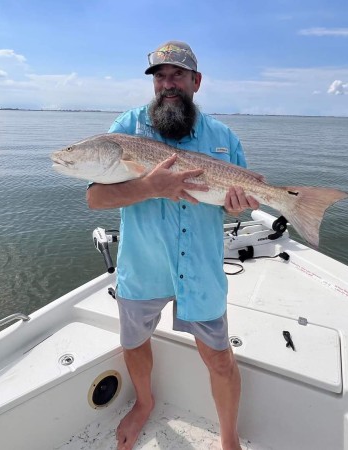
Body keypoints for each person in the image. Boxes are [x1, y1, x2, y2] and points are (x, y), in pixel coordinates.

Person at [86, 40, 260, 450]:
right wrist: (149, 187)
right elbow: (96, 199)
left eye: (177, 75)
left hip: (200, 268)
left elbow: (234, 204)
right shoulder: (125, 129)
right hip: (142, 265)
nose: (167, 84)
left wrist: (238, 205)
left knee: (219, 357)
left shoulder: (223, 137)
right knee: (134, 342)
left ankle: (229, 439)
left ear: (195, 82)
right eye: (160, 77)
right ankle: (145, 403)